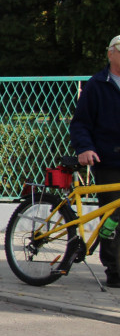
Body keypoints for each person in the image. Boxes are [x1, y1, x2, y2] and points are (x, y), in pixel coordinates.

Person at [70, 34, 120, 288]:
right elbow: (80, 123)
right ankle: (115, 270)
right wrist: (85, 148)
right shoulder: (97, 85)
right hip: (109, 160)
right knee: (113, 215)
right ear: (110, 53)